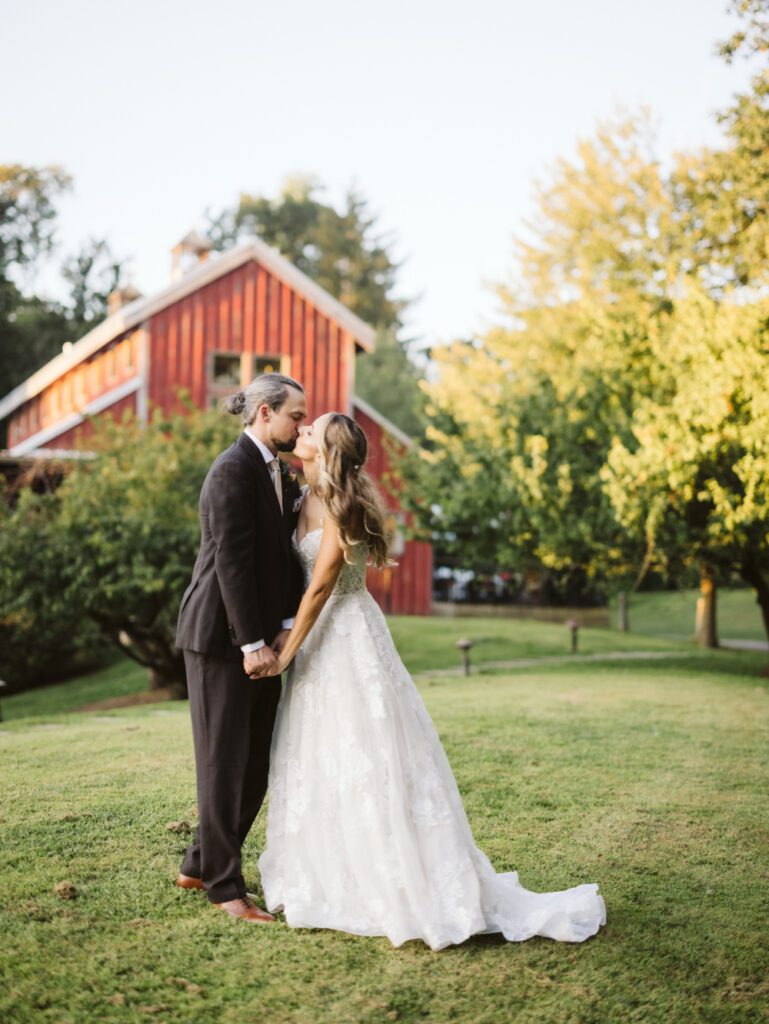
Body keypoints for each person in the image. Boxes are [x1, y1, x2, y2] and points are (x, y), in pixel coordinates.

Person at [254, 412, 607, 950]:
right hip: (319, 641)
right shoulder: (300, 495)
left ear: (325, 451)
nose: (299, 432)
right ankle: (322, 867)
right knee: (320, 749)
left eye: (310, 430)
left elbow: (320, 589)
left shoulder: (341, 509)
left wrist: (284, 653)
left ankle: (387, 878)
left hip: (345, 637)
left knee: (369, 752)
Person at [174, 372, 307, 922]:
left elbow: (276, 561)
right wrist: (253, 642)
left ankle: (199, 862)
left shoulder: (277, 471)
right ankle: (226, 889)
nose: (302, 424)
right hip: (221, 639)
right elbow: (232, 565)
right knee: (224, 762)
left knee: (255, 762)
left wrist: (282, 624)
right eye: (296, 415)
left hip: (261, 636)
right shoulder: (232, 470)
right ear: (264, 414)